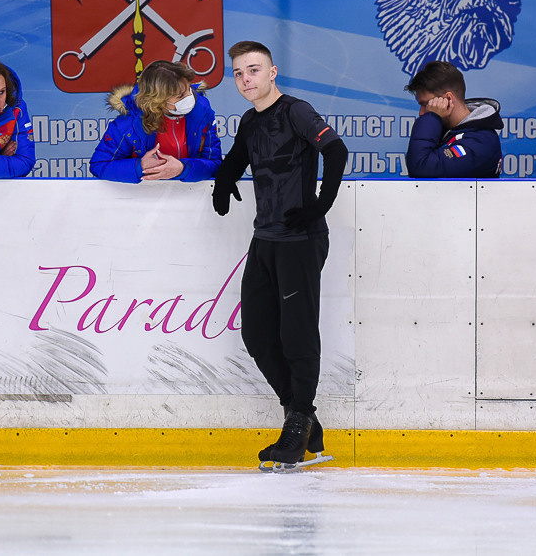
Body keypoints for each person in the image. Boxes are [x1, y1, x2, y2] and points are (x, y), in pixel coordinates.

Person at [211, 41, 348, 466]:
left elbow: (336, 150)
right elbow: (236, 158)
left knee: (297, 336)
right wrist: (223, 180)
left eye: (253, 70)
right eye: (238, 73)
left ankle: (297, 424)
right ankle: (303, 416)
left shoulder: (296, 111)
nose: (245, 79)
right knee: (256, 333)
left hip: (300, 240)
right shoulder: (250, 123)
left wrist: (321, 204)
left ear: (273, 72)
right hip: (265, 239)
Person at [89, 60, 221, 183]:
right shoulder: (128, 124)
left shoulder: (203, 114)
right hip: (140, 200)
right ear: (158, 100)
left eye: (189, 89)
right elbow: (100, 165)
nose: (191, 97)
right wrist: (140, 167)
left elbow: (214, 163)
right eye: (180, 95)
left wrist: (182, 168)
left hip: (190, 197)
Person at [404, 60, 503, 178]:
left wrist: (432, 117)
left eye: (426, 104)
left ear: (448, 99)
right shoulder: (444, 131)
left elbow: (420, 167)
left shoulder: (482, 142)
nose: (421, 113)